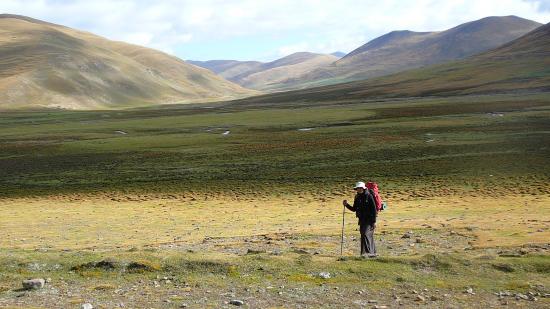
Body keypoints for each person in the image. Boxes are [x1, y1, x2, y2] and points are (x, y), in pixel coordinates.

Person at [343, 181, 377, 257]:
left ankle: (369, 253)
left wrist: (374, 221)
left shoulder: (369, 196)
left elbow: (374, 210)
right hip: (361, 220)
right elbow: (354, 209)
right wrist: (346, 205)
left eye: (360, 188)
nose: (359, 189)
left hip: (369, 220)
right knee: (364, 235)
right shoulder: (357, 197)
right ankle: (366, 253)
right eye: (358, 188)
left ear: (363, 188)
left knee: (365, 234)